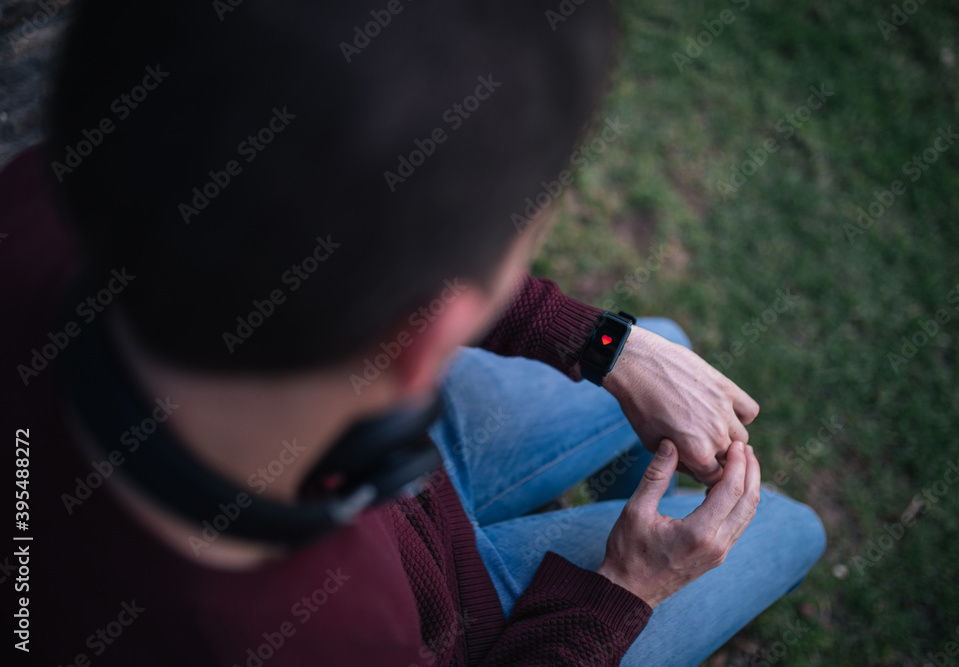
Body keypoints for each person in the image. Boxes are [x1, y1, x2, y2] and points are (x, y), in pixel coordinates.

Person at [0, 0, 826, 664]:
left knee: (662, 341)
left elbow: (339, 213)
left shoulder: (43, 196)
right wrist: (624, 590)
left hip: (404, 493)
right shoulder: (330, 638)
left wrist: (604, 343)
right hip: (467, 620)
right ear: (429, 336)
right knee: (792, 526)